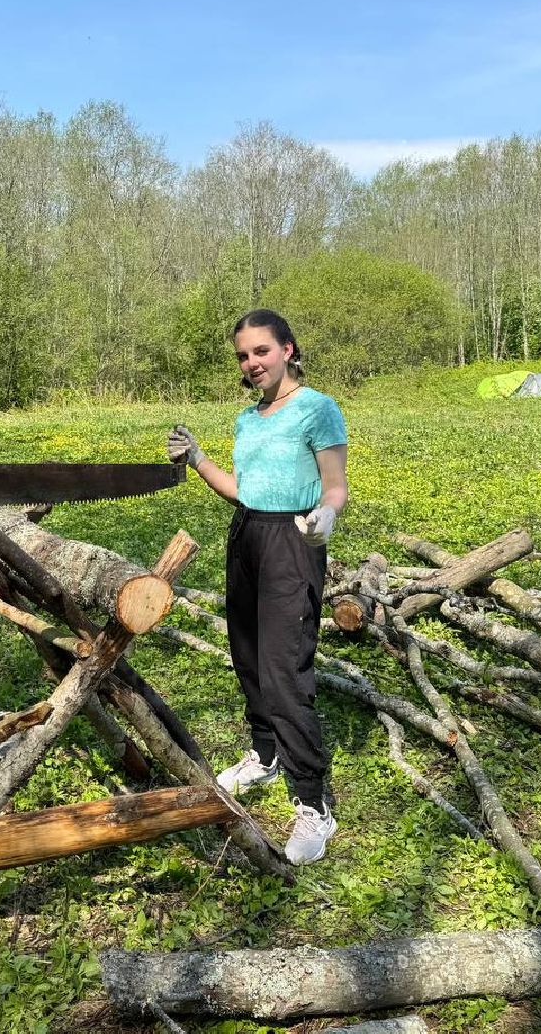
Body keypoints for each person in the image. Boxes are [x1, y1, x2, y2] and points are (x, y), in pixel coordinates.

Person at [167, 309, 348, 865]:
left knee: (283, 665)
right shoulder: (249, 419)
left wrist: (326, 517)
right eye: (244, 355)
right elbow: (243, 489)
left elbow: (336, 486)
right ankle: (265, 754)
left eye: (261, 351)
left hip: (294, 540)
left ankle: (313, 804)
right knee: (246, 653)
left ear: (288, 350)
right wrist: (197, 458)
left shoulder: (318, 410)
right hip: (247, 535)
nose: (252, 364)